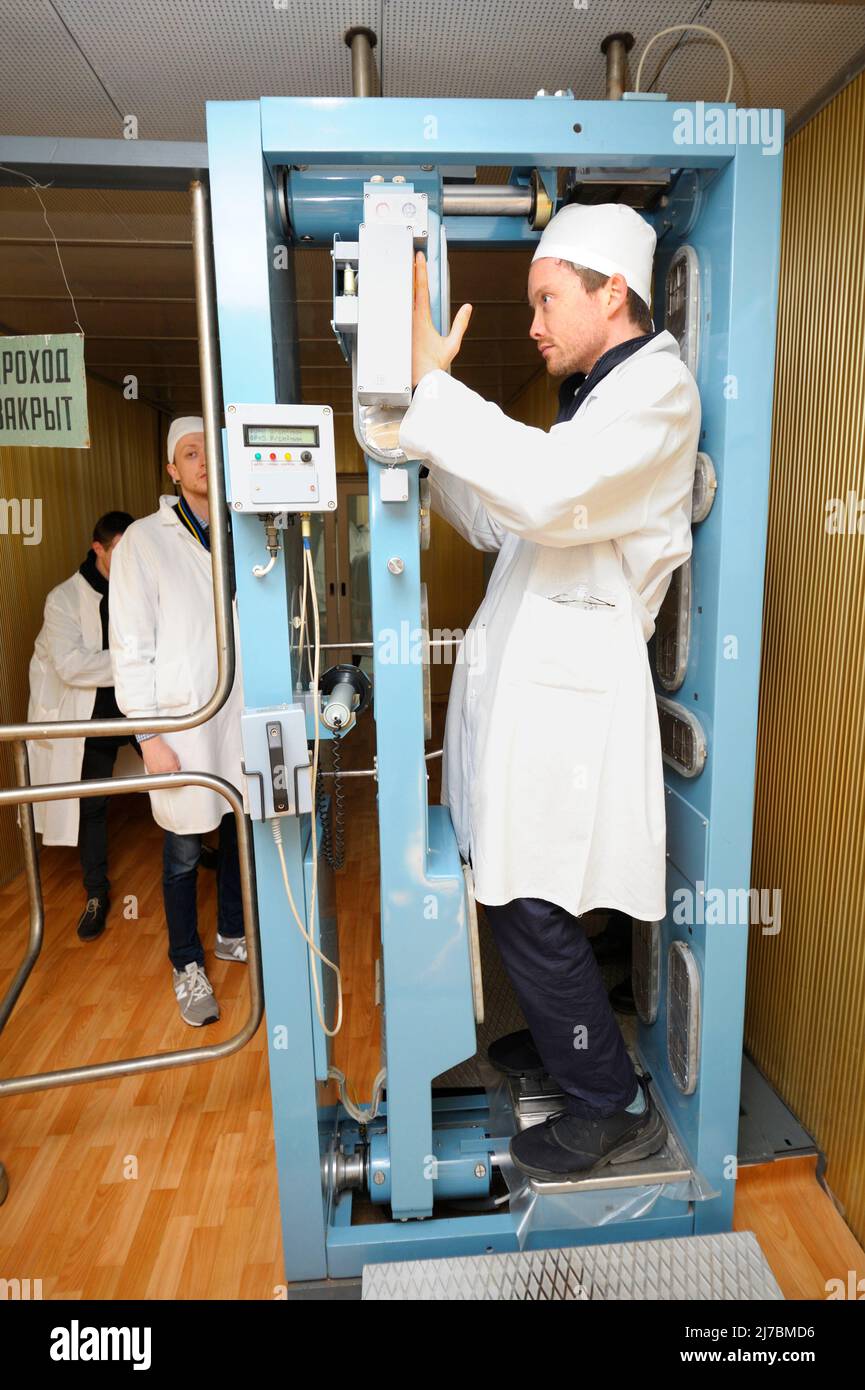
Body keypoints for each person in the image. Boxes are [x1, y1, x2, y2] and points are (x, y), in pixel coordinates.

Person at [398, 202, 701, 1180]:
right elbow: (501, 517)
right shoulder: (590, 411)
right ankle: (570, 1037)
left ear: (613, 292)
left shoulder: (653, 396)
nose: (531, 322)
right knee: (518, 890)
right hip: (538, 702)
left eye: (545, 298)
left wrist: (439, 397)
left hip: (573, 710)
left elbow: (541, 490)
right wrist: (421, 436)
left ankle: (605, 1102)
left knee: (530, 899)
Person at [109, 417, 246, 1027]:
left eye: (210, 453)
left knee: (242, 833)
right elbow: (129, 643)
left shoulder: (244, 528)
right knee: (185, 848)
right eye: (190, 454)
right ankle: (187, 963)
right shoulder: (144, 539)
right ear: (172, 469)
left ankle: (233, 933)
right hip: (182, 723)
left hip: (239, 713)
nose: (202, 463)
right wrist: (147, 735)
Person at [27, 511, 137, 940]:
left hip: (135, 705)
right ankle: (96, 892)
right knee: (91, 805)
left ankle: (193, 841)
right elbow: (73, 668)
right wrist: (133, 664)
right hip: (91, 712)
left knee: (177, 773)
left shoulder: (134, 589)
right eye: (119, 555)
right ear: (98, 550)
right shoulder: (63, 600)